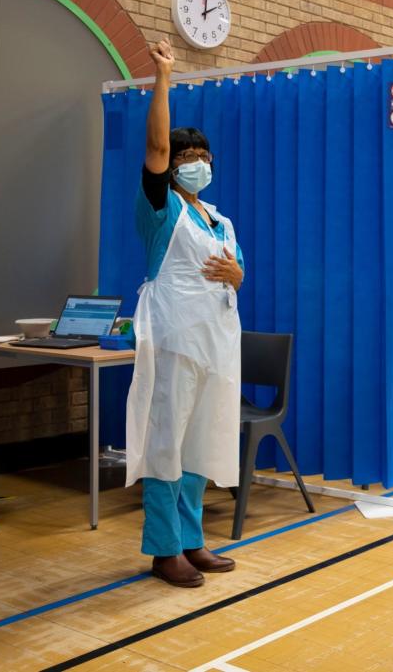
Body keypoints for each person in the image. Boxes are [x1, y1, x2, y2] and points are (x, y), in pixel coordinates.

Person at [126, 39, 245, 587]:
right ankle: (163, 548)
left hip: (217, 342)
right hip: (175, 337)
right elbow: (154, 143)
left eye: (204, 158)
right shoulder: (162, 205)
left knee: (201, 441)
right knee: (166, 443)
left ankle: (193, 540)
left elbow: (238, 273)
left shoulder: (219, 219)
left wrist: (238, 277)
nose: (197, 164)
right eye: (186, 158)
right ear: (171, 168)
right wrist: (164, 77)